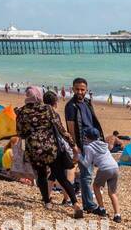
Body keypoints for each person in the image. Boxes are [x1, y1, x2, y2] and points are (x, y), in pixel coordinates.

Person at [16, 87, 83, 218]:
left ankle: (47, 202)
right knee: (61, 177)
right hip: (51, 149)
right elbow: (61, 129)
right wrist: (73, 145)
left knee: (41, 176)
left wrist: (32, 132)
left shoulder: (22, 112)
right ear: (39, 96)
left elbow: (21, 134)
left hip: (34, 150)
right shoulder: (47, 109)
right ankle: (75, 204)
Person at [64, 78, 107, 216]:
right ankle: (89, 205)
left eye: (82, 89)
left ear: (86, 90)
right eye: (77, 89)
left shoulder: (88, 103)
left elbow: (93, 122)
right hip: (82, 144)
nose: (79, 92)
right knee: (86, 175)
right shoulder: (71, 106)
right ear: (72, 89)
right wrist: (75, 146)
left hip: (94, 142)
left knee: (91, 172)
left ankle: (88, 202)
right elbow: (70, 128)